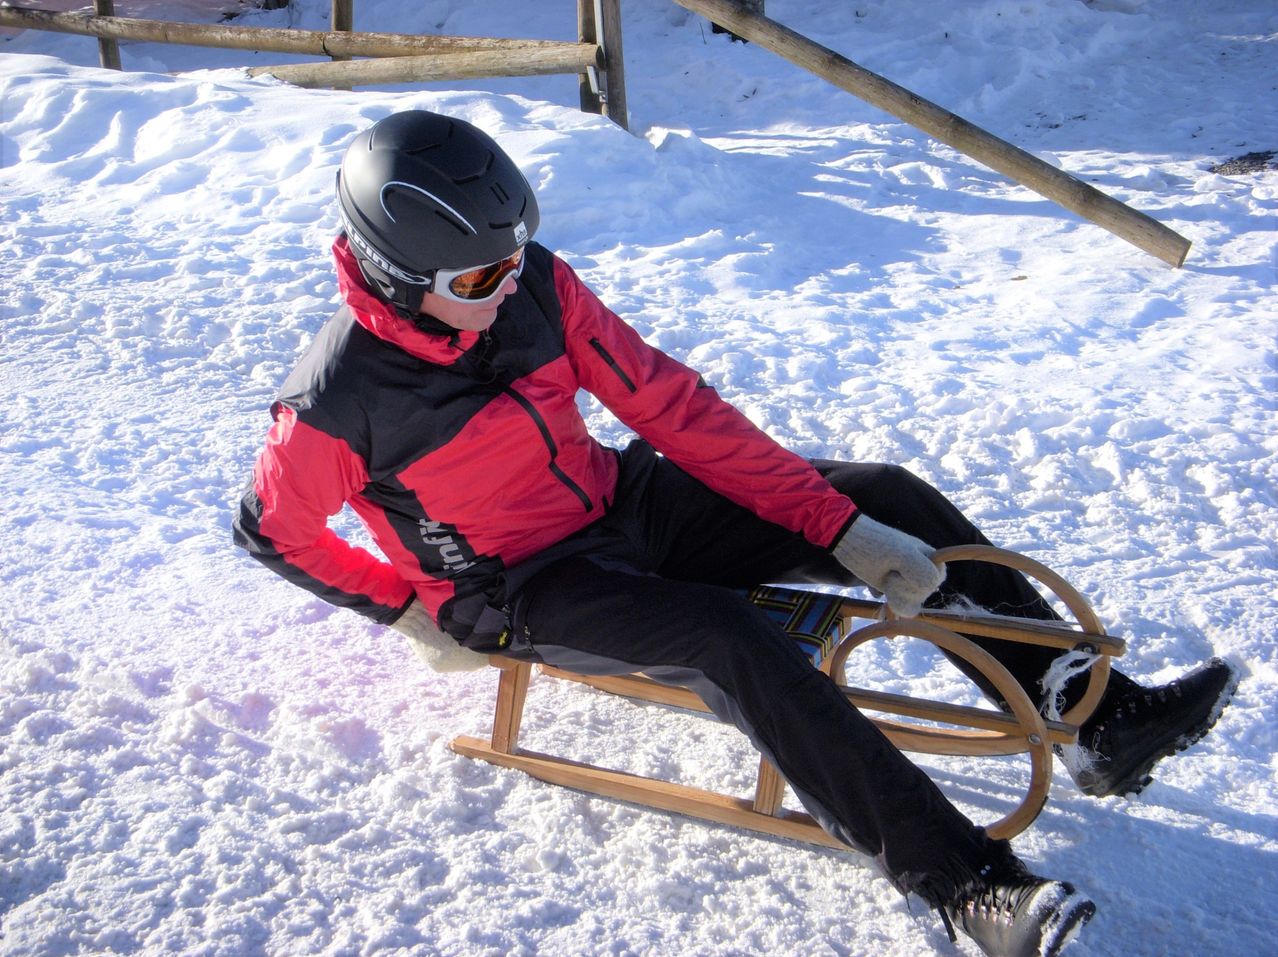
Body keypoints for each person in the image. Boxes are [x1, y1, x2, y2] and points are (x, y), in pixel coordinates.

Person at [232, 110, 1237, 957]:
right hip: (523, 583)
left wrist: (838, 526)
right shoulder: (335, 401)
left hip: (622, 503)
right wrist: (413, 607)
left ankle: (1091, 716)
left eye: (511, 261)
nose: (505, 288)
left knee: (885, 492)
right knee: (726, 639)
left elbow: (673, 409)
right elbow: (273, 529)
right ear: (395, 270)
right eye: (476, 280)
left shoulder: (537, 291)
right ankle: (968, 884)